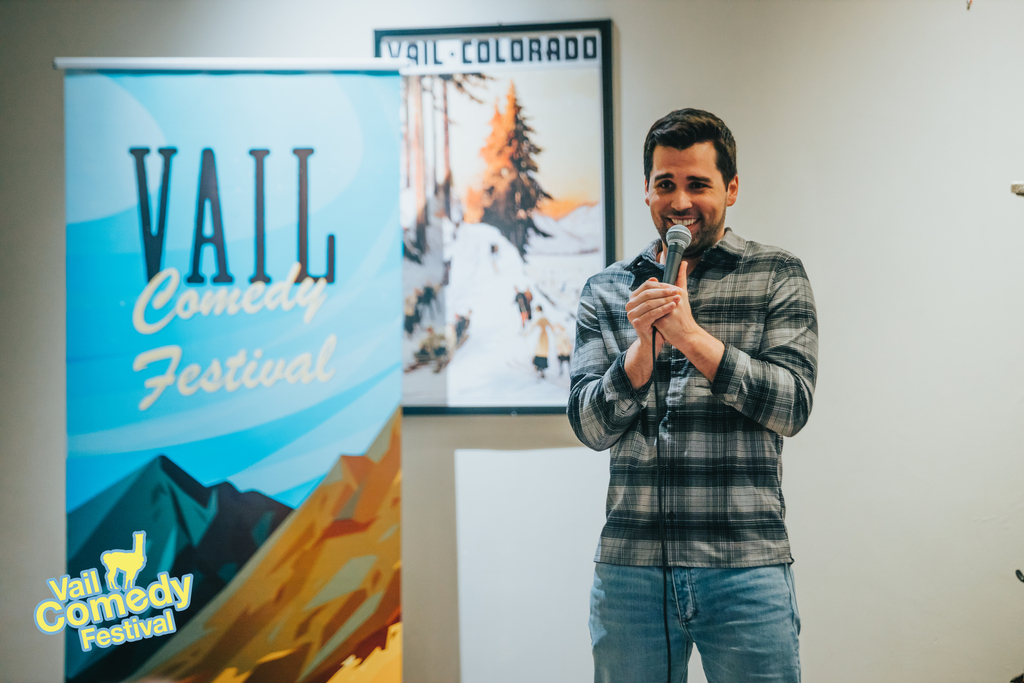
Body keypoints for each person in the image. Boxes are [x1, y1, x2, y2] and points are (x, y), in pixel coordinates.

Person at [568, 109, 818, 683]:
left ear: (730, 188)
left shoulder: (777, 275)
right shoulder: (607, 290)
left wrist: (692, 338)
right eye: (665, 185)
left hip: (745, 567)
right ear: (648, 193)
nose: (680, 202)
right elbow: (588, 426)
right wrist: (641, 354)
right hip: (631, 573)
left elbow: (792, 405)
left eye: (697, 184)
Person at [529, 305, 553, 379]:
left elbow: (532, 327)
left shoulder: (538, 317)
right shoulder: (544, 317)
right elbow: (551, 326)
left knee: (538, 351)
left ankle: (538, 368)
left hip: (539, 335)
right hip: (545, 337)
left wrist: (526, 333)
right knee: (543, 353)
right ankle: (542, 370)